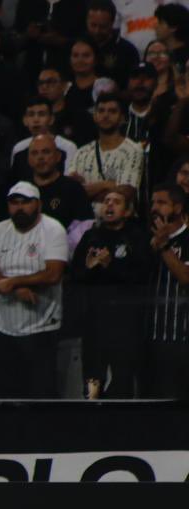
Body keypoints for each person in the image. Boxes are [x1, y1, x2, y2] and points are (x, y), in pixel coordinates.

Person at [0, 181, 70, 398]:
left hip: (42, 326)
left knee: (41, 392)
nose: (19, 208)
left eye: (25, 203)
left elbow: (54, 274)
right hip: (4, 326)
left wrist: (12, 282)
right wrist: (16, 288)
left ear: (38, 204)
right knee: (8, 391)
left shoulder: (53, 229)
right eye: (14, 203)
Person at [70, 188, 152, 398]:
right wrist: (88, 268)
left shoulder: (137, 236)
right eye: (106, 201)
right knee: (92, 379)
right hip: (94, 319)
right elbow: (75, 275)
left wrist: (110, 265)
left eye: (116, 202)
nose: (109, 205)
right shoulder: (91, 236)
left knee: (122, 378)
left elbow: (141, 276)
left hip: (125, 321)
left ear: (127, 211)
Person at [144, 183, 189, 397]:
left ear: (178, 208)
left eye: (162, 203)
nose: (154, 208)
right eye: (153, 202)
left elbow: (186, 278)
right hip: (150, 338)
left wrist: (163, 247)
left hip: (181, 338)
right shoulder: (144, 239)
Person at [71, 93, 144, 216]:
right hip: (86, 224)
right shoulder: (81, 152)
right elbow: (72, 192)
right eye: (101, 111)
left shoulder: (133, 150)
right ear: (95, 116)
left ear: (122, 118)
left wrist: (89, 191)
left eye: (112, 111)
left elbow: (126, 192)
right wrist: (108, 184)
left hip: (121, 225)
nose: (105, 115)